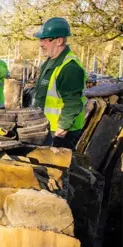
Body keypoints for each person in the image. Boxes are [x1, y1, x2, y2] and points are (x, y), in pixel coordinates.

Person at [32, 17, 86, 149]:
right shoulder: (49, 62)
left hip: (61, 133)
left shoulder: (70, 68)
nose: (41, 44)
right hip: (46, 128)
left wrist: (60, 133)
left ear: (59, 41)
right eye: (40, 39)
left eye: (45, 39)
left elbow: (72, 104)